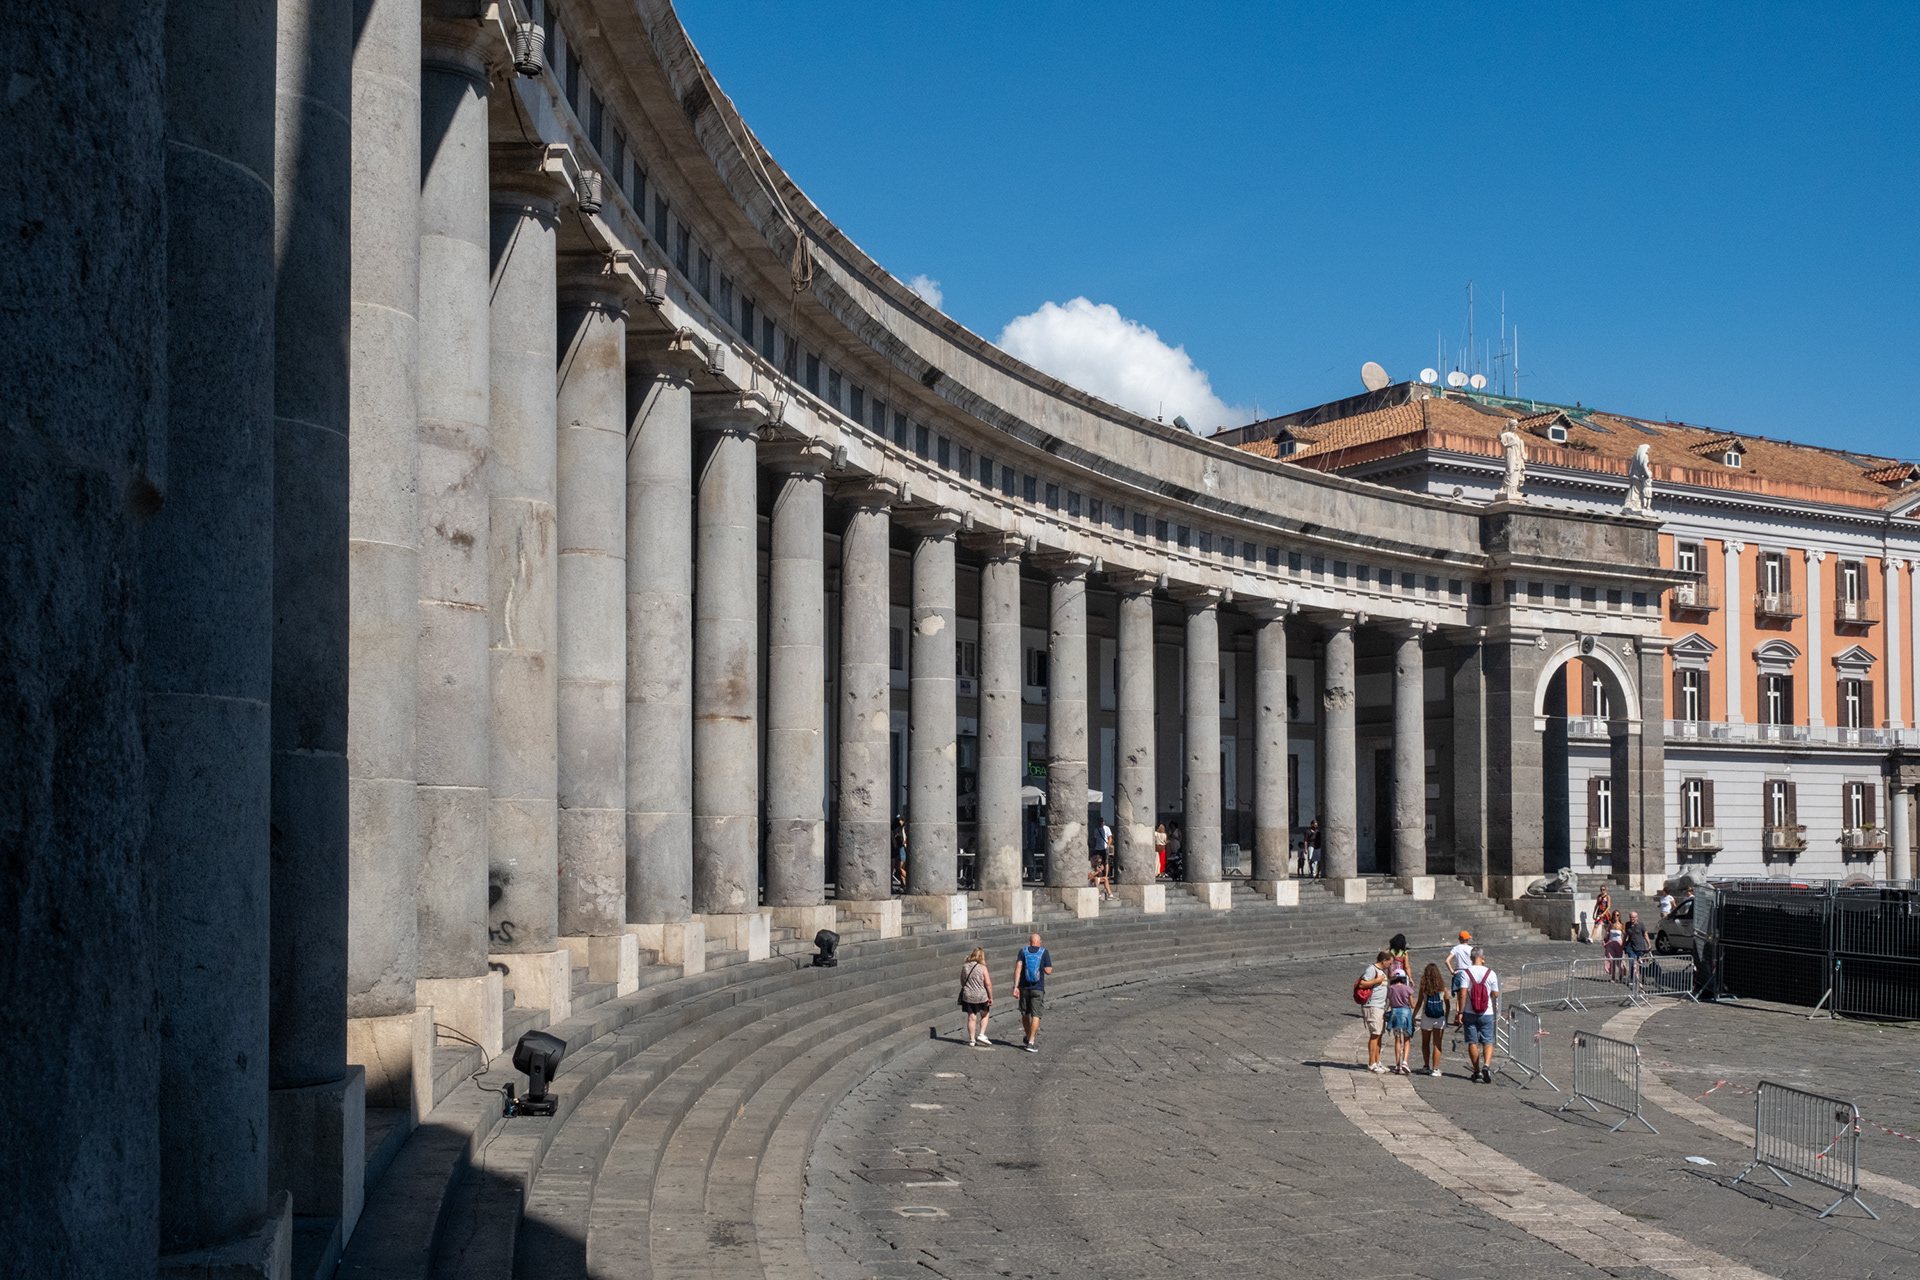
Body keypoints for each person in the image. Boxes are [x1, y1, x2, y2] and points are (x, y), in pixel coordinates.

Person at [1456, 947, 1500, 1083]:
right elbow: (1495, 994)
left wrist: (1460, 1012)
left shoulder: (1465, 973)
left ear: (1471, 958)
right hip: (1486, 1012)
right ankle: (1486, 1065)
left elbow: (1462, 993)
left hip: (1470, 1011)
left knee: (1472, 1042)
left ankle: (1477, 1071)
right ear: (1483, 957)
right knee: (1487, 1041)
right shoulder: (1490, 973)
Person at [1013, 933, 1052, 1052]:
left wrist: (1015, 986)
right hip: (1037, 988)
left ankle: (1028, 1035)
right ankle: (1031, 1042)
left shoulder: (1022, 951)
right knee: (1036, 1015)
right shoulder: (1044, 952)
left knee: (1025, 1013)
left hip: (1024, 987)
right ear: (1039, 942)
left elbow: (1018, 968)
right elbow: (1049, 971)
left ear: (1030, 942)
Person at [1357, 951, 1391, 1073]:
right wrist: (1377, 981)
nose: (1390, 965)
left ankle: (1377, 1061)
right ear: (1384, 961)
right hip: (1372, 1006)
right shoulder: (1371, 969)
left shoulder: (1382, 972)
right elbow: (1362, 984)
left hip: (1380, 1007)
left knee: (1379, 1034)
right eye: (1389, 963)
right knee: (1375, 1034)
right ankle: (1371, 1063)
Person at [1415, 963, 1451, 1076]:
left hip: (1427, 1016)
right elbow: (1447, 1003)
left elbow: (1419, 1002)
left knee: (1425, 1042)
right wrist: (1446, 1016)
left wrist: (1414, 1015)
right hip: (1439, 1018)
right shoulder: (1443, 989)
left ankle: (1426, 1066)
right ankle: (1435, 1069)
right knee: (1437, 1043)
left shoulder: (1424, 989)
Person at [959, 947, 994, 1048]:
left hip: (968, 995)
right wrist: (990, 996)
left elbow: (962, 980)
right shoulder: (982, 967)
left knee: (971, 1017)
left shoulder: (965, 966)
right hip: (981, 995)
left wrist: (967, 989)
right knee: (985, 1014)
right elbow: (988, 983)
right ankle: (982, 1034)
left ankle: (972, 1039)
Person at [1384, 968, 1416, 1074]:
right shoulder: (1407, 989)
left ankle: (1397, 1064)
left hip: (1395, 1015)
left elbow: (1389, 1003)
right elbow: (1412, 1004)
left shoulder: (1390, 989)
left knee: (1397, 1039)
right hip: (1406, 1014)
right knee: (1407, 1039)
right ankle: (1405, 1062)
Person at [1623, 911, 1651, 976]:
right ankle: (1632, 978)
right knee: (1631, 963)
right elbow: (1626, 935)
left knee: (1641, 964)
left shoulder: (1641, 925)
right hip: (1631, 947)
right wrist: (1623, 944)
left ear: (1637, 918)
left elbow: (1645, 934)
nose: (1632, 919)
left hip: (1640, 947)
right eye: (1631, 917)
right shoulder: (1627, 924)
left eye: (1633, 917)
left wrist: (1649, 944)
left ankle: (1642, 977)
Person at [1603, 911, 1626, 981]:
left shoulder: (1622, 925)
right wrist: (1604, 941)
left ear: (1619, 916)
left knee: (1620, 961)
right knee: (1611, 960)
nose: (1616, 917)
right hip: (1610, 943)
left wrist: (1624, 943)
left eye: (1617, 915)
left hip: (1619, 943)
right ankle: (1613, 977)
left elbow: (1625, 935)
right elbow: (1607, 933)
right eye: (1614, 915)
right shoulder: (1610, 924)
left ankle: (1621, 974)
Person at [892, 815, 908, 892]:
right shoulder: (897, 829)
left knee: (899, 868)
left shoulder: (903, 829)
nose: (899, 822)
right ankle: (903, 885)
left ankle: (909, 880)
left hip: (901, 849)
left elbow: (904, 839)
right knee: (898, 869)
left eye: (900, 820)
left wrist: (901, 843)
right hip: (898, 849)